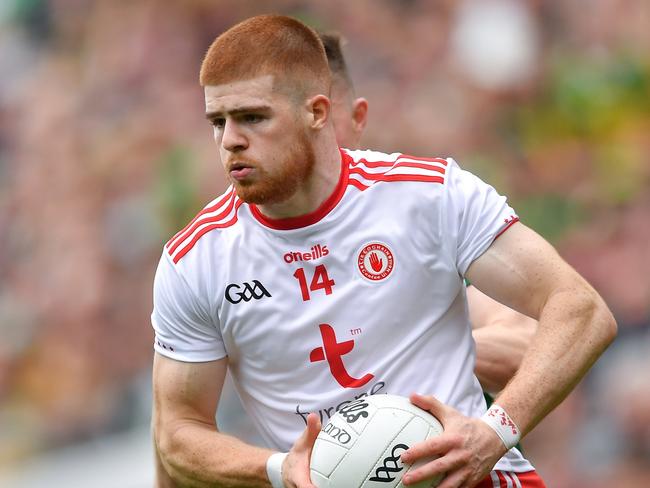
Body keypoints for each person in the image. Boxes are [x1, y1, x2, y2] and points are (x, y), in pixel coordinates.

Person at [151, 14, 616, 488]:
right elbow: (177, 432)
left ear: (316, 113)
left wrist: (493, 432)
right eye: (217, 121)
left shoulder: (429, 196)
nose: (230, 140)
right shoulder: (195, 262)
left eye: (252, 117)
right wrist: (276, 469)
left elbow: (581, 310)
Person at [319, 32, 537, 395]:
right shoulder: (228, 256)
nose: (312, 139)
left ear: (358, 118)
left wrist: (405, 351)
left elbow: (524, 346)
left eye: (322, 116)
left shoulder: (422, 213)